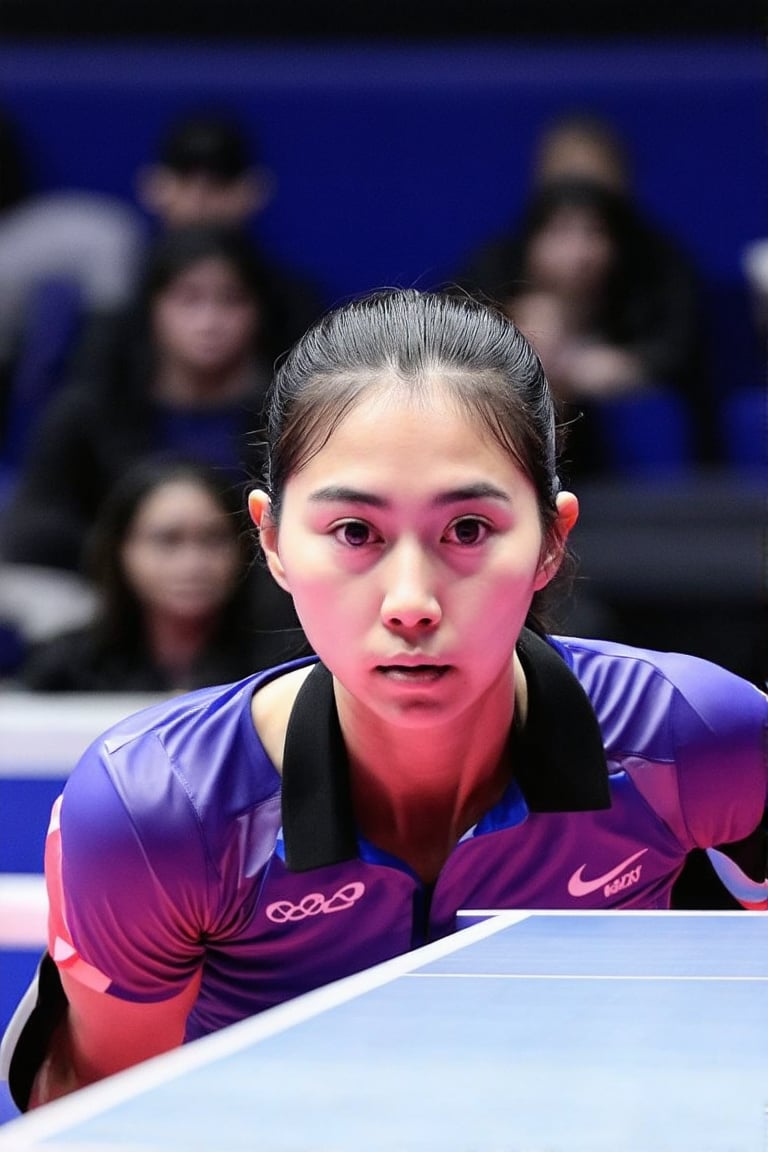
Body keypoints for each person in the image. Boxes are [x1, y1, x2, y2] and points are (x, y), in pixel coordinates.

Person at [2, 289, 765, 1112]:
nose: (412, 600)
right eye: (355, 533)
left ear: (550, 539)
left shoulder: (695, 736)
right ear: (272, 540)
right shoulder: (159, 810)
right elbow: (114, 1119)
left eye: (467, 530)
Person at [0, 223, 286, 574]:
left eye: (231, 299)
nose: (209, 321)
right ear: (152, 306)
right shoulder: (88, 409)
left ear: (258, 311)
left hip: (254, 608)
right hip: (103, 600)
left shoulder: (286, 419)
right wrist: (131, 562)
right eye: (189, 298)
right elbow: (37, 527)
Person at [460, 177, 712, 479]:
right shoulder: (487, 318)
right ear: (530, 244)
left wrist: (630, 369)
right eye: (561, 232)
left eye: (594, 233)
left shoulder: (639, 317)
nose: (579, 254)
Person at [18, 457, 301, 692]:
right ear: (120, 550)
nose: (193, 564)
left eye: (214, 539)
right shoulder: (63, 670)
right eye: (167, 540)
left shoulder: (287, 667)